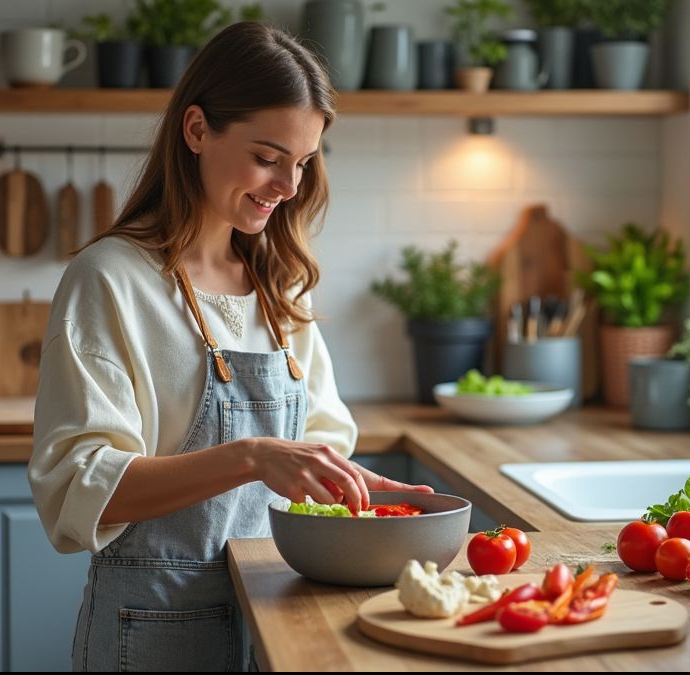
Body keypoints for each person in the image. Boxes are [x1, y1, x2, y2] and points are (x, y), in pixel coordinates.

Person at [28, 22, 433, 672]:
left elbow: (321, 441)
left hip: (278, 621)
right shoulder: (111, 279)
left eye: (302, 162)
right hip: (151, 632)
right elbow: (76, 484)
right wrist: (249, 456)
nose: (290, 185)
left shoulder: (278, 281)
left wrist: (348, 490)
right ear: (196, 130)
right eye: (269, 157)